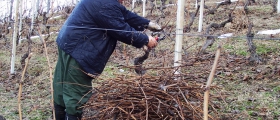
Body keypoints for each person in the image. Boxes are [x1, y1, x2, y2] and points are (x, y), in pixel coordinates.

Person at [52, 0, 162, 119]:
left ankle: (59, 115)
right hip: (79, 50)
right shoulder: (104, 4)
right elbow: (120, 29)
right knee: (76, 93)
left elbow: (125, 15)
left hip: (68, 43)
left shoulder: (108, 2)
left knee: (61, 86)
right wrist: (145, 40)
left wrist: (147, 23)